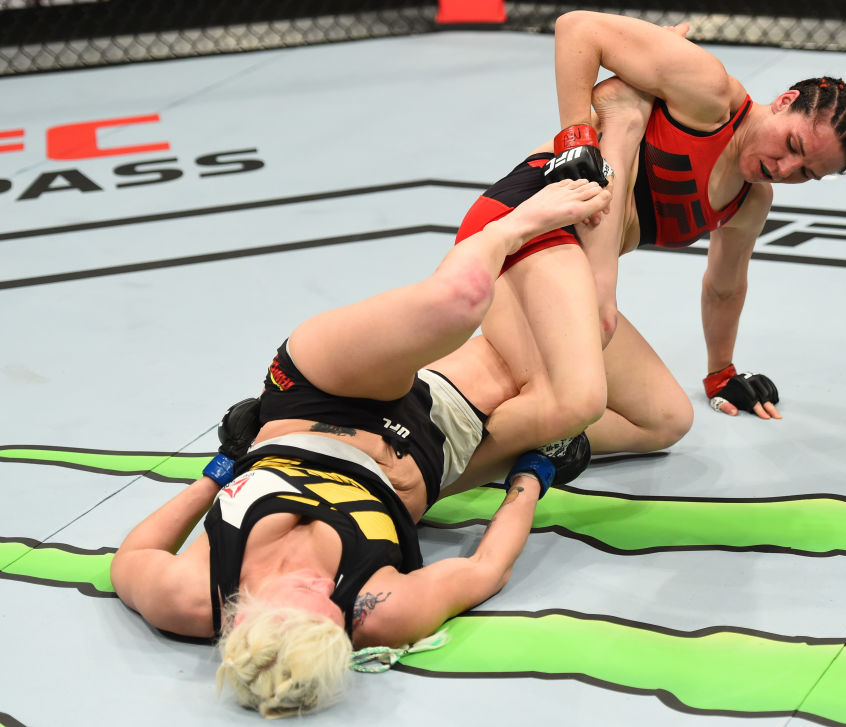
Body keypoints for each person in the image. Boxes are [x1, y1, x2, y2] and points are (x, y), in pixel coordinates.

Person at [109, 178, 612, 719]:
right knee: (614, 408)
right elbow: (486, 568)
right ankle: (590, 224)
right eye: (335, 610)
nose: (329, 588)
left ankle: (511, 224)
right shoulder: (377, 616)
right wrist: (533, 473)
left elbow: (133, 558)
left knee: (461, 299)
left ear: (246, 617)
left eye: (313, 598)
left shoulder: (187, 597)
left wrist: (222, 466)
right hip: (429, 447)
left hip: (319, 398)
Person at [445, 11, 846, 490]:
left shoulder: (750, 201)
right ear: (785, 102)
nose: (784, 167)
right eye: (792, 143)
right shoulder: (709, 93)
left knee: (665, 420)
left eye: (805, 173)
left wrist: (721, 372)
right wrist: (577, 135)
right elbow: (577, 28)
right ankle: (417, 451)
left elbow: (724, 286)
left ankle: (491, 435)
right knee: (566, 398)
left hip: (575, 268)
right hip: (521, 229)